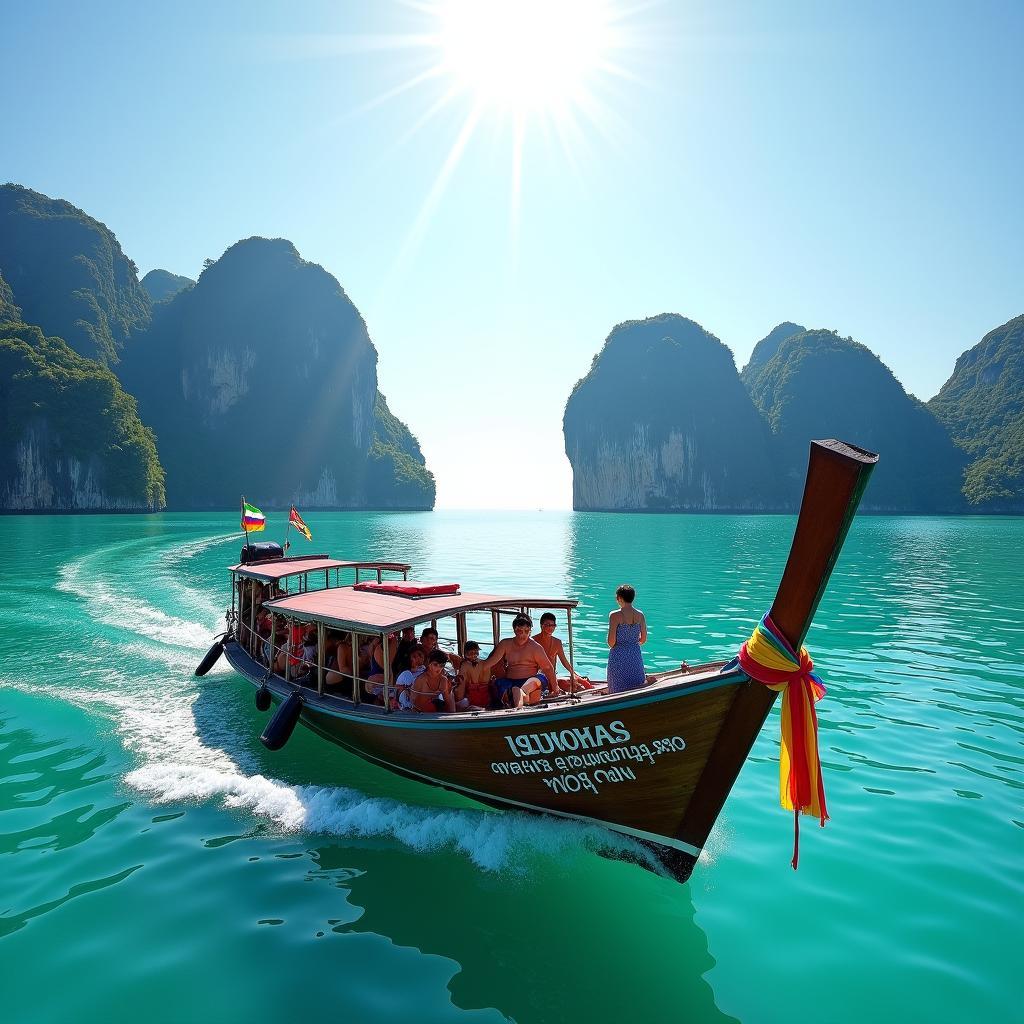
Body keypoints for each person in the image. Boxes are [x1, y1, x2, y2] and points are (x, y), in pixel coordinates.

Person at [478, 613, 559, 708]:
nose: (523, 634)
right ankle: (517, 698)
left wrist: (555, 688)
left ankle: (520, 694)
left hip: (530, 680)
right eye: (520, 631)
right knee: (502, 685)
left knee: (534, 681)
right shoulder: (505, 644)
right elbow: (490, 662)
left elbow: (548, 668)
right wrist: (471, 671)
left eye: (526, 631)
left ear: (530, 631)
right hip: (510, 681)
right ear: (514, 630)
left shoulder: (535, 647)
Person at [534, 612, 592, 692]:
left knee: (577, 684)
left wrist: (574, 674)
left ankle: (592, 692)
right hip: (539, 677)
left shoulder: (557, 642)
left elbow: (564, 661)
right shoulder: (534, 641)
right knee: (566, 685)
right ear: (541, 625)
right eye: (547, 625)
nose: (550, 628)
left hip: (553, 677)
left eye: (552, 625)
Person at [606, 584, 648, 693]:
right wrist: (632, 642)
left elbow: (611, 643)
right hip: (635, 655)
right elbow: (643, 639)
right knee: (637, 687)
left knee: (617, 690)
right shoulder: (640, 615)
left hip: (618, 657)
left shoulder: (614, 615)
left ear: (620, 598)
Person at [457, 641, 494, 709]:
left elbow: (460, 689)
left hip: (472, 700)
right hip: (487, 700)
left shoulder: (464, 665)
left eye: (475, 653)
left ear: (465, 653)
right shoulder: (485, 663)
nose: (474, 655)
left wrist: (458, 701)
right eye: (472, 653)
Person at [394, 645, 427, 710]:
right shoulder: (405, 673)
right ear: (410, 658)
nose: (418, 658)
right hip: (407, 699)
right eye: (414, 656)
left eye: (420, 656)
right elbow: (397, 688)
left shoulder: (426, 670)